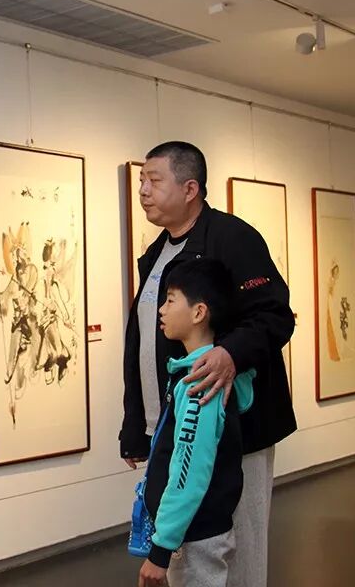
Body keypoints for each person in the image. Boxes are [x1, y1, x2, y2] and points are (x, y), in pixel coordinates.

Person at [121, 141, 296, 587]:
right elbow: (142, 340)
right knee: (187, 551)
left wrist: (230, 354)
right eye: (141, 180)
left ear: (190, 189)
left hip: (236, 429)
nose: (143, 190)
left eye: (154, 180)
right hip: (174, 425)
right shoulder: (157, 254)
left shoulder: (233, 239)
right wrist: (138, 424)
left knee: (240, 556)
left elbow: (274, 314)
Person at [138, 258, 254, 587]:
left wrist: (161, 549)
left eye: (170, 300)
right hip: (195, 533)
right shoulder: (197, 374)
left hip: (193, 538)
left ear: (199, 312)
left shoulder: (200, 384)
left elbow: (188, 472)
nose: (161, 310)